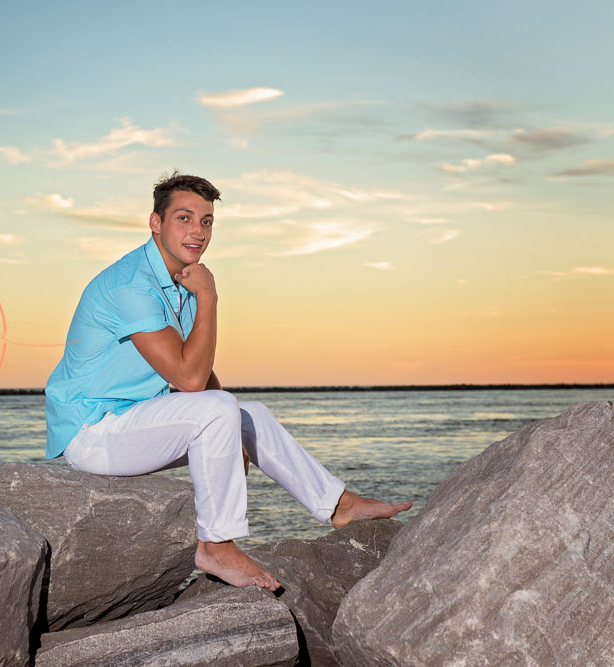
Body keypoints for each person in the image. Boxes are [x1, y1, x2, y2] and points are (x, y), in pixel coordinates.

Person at [45, 171, 411, 590]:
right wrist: (210, 297)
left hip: (132, 418)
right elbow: (189, 377)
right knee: (221, 408)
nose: (197, 232)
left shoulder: (177, 280)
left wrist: (231, 430)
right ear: (155, 223)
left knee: (247, 413)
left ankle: (338, 505)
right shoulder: (132, 286)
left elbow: (199, 377)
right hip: (93, 431)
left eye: (206, 221)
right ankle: (216, 546)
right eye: (184, 218)